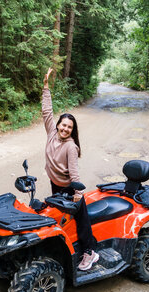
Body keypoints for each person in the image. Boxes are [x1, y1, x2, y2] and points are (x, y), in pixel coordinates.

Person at [42, 67, 99, 271]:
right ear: (57, 125)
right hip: (55, 184)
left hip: (70, 188)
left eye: (69, 127)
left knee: (81, 221)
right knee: (60, 216)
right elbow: (46, 110)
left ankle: (89, 253)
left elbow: (74, 173)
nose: (65, 129)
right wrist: (46, 87)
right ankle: (63, 245)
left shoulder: (71, 147)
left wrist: (78, 194)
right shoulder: (51, 133)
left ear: (72, 131)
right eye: (63, 125)